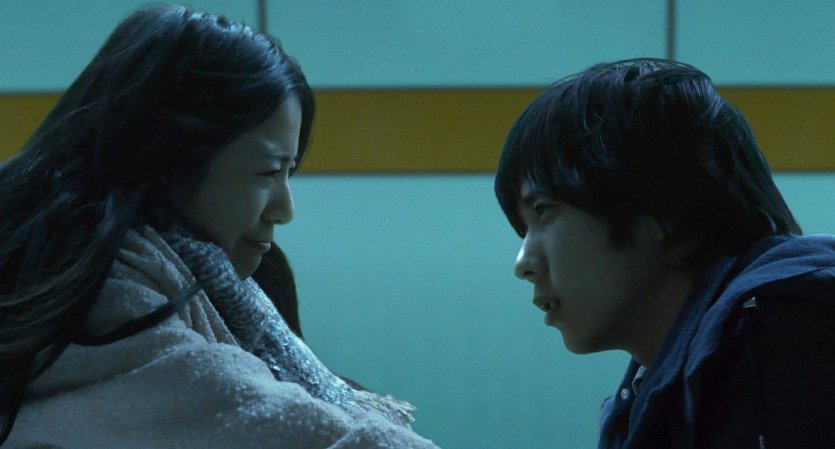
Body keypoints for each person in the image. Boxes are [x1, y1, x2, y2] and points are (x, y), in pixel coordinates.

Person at [0, 5, 439, 448]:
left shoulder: (217, 279)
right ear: (170, 161)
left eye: (289, 172)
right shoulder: (99, 294)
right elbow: (250, 413)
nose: (284, 209)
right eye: (268, 172)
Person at [495, 58, 835, 448]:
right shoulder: (665, 387)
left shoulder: (792, 337)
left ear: (660, 210)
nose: (524, 264)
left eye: (543, 211)